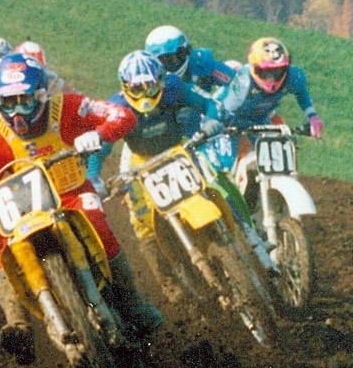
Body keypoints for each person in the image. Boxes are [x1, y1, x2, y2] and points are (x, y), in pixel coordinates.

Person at [0, 54, 161, 363]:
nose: (17, 112)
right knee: (0, 243)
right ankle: (18, 323)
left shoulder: (68, 107)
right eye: (7, 103)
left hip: (72, 193)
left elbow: (122, 115)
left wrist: (100, 133)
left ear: (41, 94)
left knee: (97, 219)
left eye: (24, 100)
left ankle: (133, 302)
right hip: (26, 210)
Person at [92, 51, 278, 276]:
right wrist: (93, 177)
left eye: (151, 86)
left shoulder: (173, 87)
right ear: (125, 87)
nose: (146, 94)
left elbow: (206, 105)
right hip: (141, 161)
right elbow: (101, 148)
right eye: (138, 88)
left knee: (215, 184)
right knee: (142, 219)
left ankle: (251, 237)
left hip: (179, 148)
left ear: (160, 79)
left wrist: (212, 122)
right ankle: (168, 282)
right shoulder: (117, 108)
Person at [215, 37, 323, 137]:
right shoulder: (244, 83)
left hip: (260, 119)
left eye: (277, 71)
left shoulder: (293, 76)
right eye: (266, 73)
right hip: (225, 118)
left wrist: (312, 116)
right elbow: (226, 112)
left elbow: (301, 92)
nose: (271, 79)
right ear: (255, 68)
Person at [144, 25, 236, 97]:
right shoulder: (147, 78)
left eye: (176, 56)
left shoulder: (200, 62)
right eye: (164, 60)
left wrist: (221, 98)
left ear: (186, 51)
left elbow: (235, 83)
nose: (172, 63)